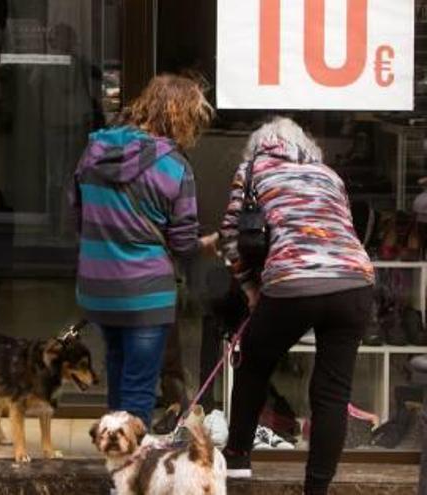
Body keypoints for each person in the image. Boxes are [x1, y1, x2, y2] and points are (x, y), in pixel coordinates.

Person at [219, 117, 374, 495]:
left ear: (260, 144)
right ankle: (316, 489)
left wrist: (250, 288)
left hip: (292, 280)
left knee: (254, 363)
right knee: (334, 391)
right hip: (354, 282)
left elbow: (230, 234)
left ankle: (238, 458)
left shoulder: (253, 167)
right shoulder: (328, 173)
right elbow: (341, 228)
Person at [70, 74, 215, 428]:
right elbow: (182, 244)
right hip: (146, 292)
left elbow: (78, 215)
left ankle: (117, 467)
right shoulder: (175, 168)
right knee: (138, 391)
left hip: (99, 286)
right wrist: (205, 245)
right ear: (181, 117)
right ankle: (131, 475)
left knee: (119, 377)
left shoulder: (93, 152)